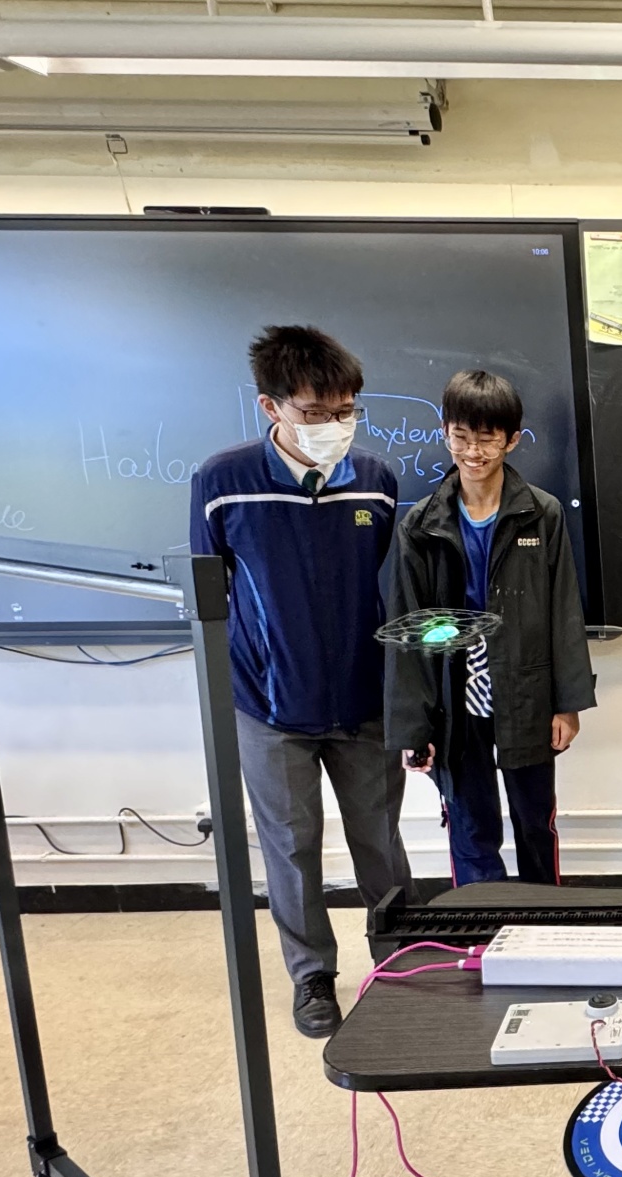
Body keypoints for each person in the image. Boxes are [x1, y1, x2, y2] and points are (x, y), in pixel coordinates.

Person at [190, 324, 412, 1039]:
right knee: (291, 845)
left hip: (363, 695)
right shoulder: (222, 483)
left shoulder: (375, 480)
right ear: (271, 406)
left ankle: (399, 957)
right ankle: (312, 974)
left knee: (379, 839)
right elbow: (210, 597)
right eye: (316, 412)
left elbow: (383, 583)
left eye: (346, 411)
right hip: (268, 702)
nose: (334, 426)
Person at [383, 370, 596, 887]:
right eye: (461, 437)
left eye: (487, 439)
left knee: (534, 819)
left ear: (512, 440)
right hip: (454, 690)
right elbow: (409, 630)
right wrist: (415, 728)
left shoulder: (540, 513)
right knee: (470, 821)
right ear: (445, 433)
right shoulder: (421, 525)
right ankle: (482, 921)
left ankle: (545, 918)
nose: (473, 452)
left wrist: (567, 702)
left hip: (525, 682)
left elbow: (564, 610)